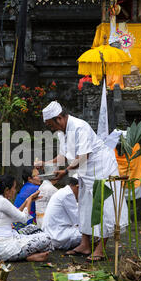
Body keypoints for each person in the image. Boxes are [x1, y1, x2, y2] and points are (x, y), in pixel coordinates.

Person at [38, 101, 127, 262]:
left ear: (59, 118)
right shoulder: (61, 132)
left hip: (102, 168)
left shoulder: (80, 126)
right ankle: (85, 245)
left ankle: (100, 249)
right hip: (85, 171)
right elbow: (63, 156)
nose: (50, 128)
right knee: (85, 206)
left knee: (104, 207)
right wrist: (46, 165)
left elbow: (84, 155)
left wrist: (65, 172)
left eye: (50, 124)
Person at [0, 174, 53, 262]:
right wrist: (29, 200)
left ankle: (28, 254)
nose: (15, 190)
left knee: (33, 228)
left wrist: (26, 201)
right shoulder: (2, 201)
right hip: (4, 250)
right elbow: (24, 218)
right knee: (47, 238)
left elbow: (15, 216)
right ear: (7, 190)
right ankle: (27, 257)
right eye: (14, 188)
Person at [42, 177, 81, 251]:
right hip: (57, 236)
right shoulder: (68, 194)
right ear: (77, 187)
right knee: (93, 233)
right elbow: (78, 220)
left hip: (52, 233)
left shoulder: (63, 191)